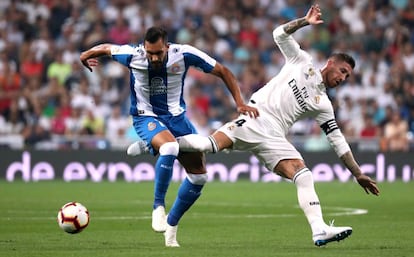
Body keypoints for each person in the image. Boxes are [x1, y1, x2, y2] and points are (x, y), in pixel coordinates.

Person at [128, 5, 380, 247]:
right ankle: (156, 143)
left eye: (347, 77)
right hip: (255, 117)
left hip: (276, 137)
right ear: (330, 63)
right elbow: (278, 34)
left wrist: (357, 173)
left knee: (304, 176)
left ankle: (319, 229)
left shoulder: (324, 104)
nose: (343, 79)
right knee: (207, 145)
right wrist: (304, 22)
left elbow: (337, 141)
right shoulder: (301, 61)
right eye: (343, 71)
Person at [80, 26, 258, 247]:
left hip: (177, 119)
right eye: (149, 52)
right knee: (171, 148)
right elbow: (107, 48)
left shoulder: (183, 54)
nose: (153, 58)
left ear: (167, 46)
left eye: (158, 53)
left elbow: (223, 71)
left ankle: (171, 225)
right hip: (146, 117)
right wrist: (85, 55)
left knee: (199, 177)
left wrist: (240, 102)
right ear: (144, 47)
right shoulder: (133, 56)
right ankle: (158, 207)